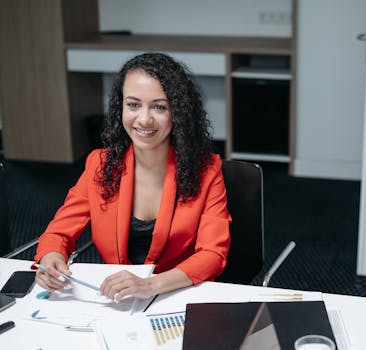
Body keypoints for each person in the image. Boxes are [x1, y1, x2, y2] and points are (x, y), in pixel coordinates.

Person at [34, 53, 231, 302]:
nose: (144, 119)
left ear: (178, 113)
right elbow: (58, 233)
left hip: (178, 294)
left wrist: (151, 284)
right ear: (121, 107)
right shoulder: (101, 164)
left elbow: (213, 254)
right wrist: (51, 257)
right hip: (119, 300)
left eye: (159, 107)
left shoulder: (207, 171)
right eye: (133, 105)